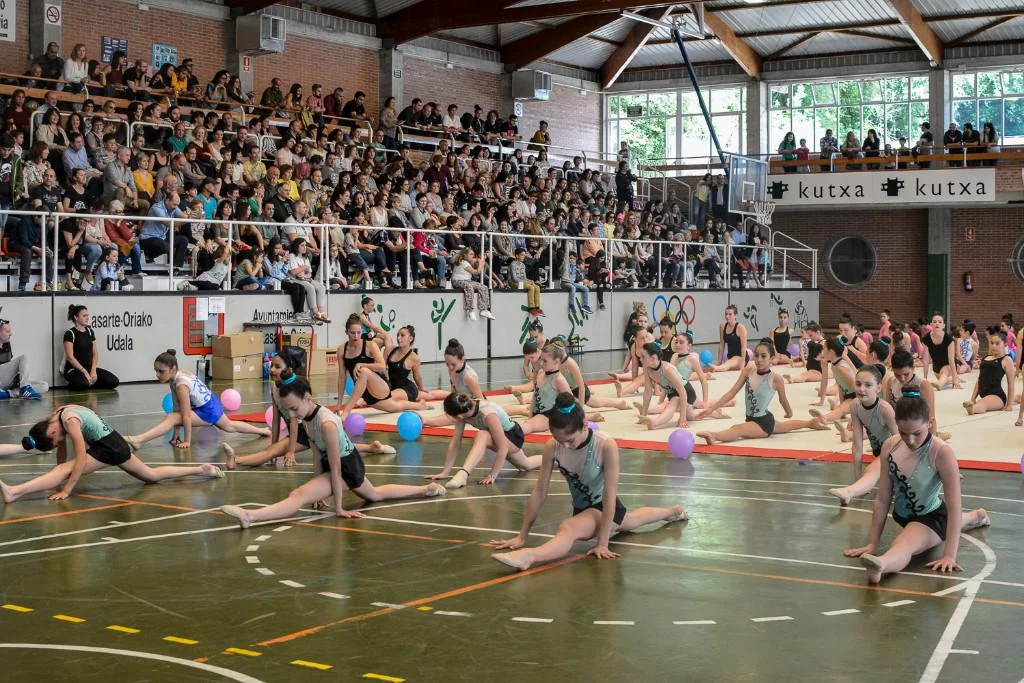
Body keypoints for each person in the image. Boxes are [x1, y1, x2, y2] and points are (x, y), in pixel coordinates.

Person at [489, 392, 687, 570]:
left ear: (584, 425)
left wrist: (602, 543)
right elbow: (540, 492)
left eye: (570, 440)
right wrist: (522, 535)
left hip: (605, 506)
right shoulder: (553, 447)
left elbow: (610, 494)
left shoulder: (605, 445)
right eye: (560, 441)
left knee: (569, 528)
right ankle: (673, 511)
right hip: (583, 508)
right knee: (632, 521)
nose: (565, 446)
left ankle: (529, 557)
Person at [221, 378, 446, 528]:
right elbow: (318, 456)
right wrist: (320, 492)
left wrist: (338, 506)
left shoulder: (326, 423)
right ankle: (426, 489)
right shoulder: (306, 418)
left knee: (299, 495)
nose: (292, 415)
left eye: (294, 409)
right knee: (375, 494)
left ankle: (250, 516)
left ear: (308, 398)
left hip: (347, 466)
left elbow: (337, 468)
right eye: (289, 410)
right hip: (337, 463)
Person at [842, 397, 990, 584]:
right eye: (904, 433)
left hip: (931, 517)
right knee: (925, 530)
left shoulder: (941, 452)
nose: (910, 440)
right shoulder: (891, 446)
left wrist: (949, 555)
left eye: (917, 433)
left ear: (930, 423)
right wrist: (873, 543)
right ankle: (977, 516)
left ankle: (881, 566)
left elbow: (953, 507)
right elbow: (883, 499)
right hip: (904, 516)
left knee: (904, 543)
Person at [0, 405, 223, 503]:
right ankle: (201, 469)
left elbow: (78, 460)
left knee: (65, 469)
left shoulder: (70, 422)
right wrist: (57, 476)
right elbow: (62, 451)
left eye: (56, 440)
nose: (59, 442)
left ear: (51, 432)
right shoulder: (58, 415)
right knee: (151, 475)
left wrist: (66, 488)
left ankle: (14, 492)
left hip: (109, 447)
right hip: (114, 442)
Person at [224, 353, 395, 469]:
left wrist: (290, 451)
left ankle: (236, 460)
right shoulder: (274, 387)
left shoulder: (293, 388)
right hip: (300, 429)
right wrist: (273, 442)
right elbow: (276, 420)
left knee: (273, 452)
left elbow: (293, 421)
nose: (272, 369)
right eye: (272, 366)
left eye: (277, 366)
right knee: (334, 447)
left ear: (288, 369)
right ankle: (372, 448)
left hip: (306, 427)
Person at [126, 350, 271, 450]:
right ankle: (263, 431)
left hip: (207, 409)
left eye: (161, 371)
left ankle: (139, 440)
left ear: (172, 369)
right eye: (156, 370)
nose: (157, 374)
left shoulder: (181, 385)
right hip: (211, 402)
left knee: (172, 417)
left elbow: (186, 415)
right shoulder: (176, 377)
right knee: (229, 426)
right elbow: (176, 407)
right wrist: (176, 435)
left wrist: (187, 441)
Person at [696, 340, 827, 445]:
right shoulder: (748, 370)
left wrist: (789, 412)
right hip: (756, 418)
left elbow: (783, 399)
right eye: (757, 355)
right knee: (784, 426)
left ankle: (714, 436)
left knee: (738, 429)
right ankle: (810, 423)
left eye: (764, 356)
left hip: (763, 423)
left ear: (772, 359)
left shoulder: (775, 379)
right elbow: (731, 393)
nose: (759, 359)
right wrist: (711, 409)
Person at [428, 393, 542, 489]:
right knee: (525, 465)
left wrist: (492, 475)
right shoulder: (463, 409)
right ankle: (550, 458)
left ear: (459, 416)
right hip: (501, 437)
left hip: (513, 436)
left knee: (483, 435)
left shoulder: (487, 413)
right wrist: (445, 472)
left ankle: (463, 474)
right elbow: (456, 442)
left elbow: (503, 447)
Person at [827, 365, 900, 505]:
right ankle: (857, 487)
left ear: (878, 388)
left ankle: (849, 492)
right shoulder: (855, 406)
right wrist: (857, 478)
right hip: (880, 453)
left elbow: (900, 442)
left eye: (868, 385)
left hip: (894, 452)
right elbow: (857, 444)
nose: (861, 389)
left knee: (872, 469)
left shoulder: (884, 409)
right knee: (871, 470)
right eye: (858, 384)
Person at [338, 315, 429, 419]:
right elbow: (341, 377)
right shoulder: (342, 350)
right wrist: (339, 403)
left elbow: (382, 367)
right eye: (352, 333)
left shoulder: (370, 345)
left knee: (363, 371)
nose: (356, 336)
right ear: (346, 332)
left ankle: (346, 412)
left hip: (382, 387)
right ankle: (420, 405)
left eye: (359, 333)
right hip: (367, 393)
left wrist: (361, 364)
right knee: (396, 406)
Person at [634, 341, 726, 430]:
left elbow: (682, 392)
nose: (640, 359)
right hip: (673, 392)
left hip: (686, 391)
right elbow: (648, 392)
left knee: (671, 406)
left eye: (643, 357)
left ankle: (654, 423)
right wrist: (643, 415)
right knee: (692, 416)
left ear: (653, 358)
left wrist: (682, 418)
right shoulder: (647, 369)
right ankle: (712, 413)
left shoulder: (667, 369)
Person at [61, 305, 120, 391]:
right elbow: (70, 357)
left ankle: (88, 383)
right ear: (76, 317)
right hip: (73, 369)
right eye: (84, 316)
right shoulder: (70, 334)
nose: (87, 318)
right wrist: (84, 372)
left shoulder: (90, 332)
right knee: (83, 383)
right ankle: (80, 383)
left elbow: (95, 353)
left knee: (114, 381)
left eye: (87, 315)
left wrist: (93, 370)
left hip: (89, 368)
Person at [964, 328, 1015, 416]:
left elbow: (1011, 383)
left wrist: (1009, 404)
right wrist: (972, 399)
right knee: (981, 402)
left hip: (997, 396)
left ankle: (972, 409)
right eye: (992, 343)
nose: (994, 346)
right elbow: (980, 380)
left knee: (983, 404)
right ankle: (973, 406)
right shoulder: (986, 358)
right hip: (984, 394)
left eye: (997, 343)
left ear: (1005, 344)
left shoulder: (1006, 360)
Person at [0, 318, 46, 399]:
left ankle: (11, 393)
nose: (11, 334)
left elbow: (8, 366)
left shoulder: (7, 344)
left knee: (44, 386)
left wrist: (17, 377)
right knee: (24, 357)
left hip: (5, 383)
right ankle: (24, 389)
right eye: (7, 331)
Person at [451, 247, 494, 322]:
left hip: (467, 280)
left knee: (483, 287)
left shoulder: (468, 260)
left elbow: (475, 259)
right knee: (469, 287)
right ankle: (470, 310)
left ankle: (483, 309)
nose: (472, 256)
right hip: (457, 281)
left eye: (473, 254)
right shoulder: (463, 262)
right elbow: (476, 272)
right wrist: (481, 264)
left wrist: (478, 259)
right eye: (471, 254)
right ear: (465, 255)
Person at [921, 313, 961, 390]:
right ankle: (945, 380)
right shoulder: (926, 339)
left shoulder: (949, 339)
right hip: (936, 368)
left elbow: (951, 360)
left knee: (945, 371)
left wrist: (955, 376)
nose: (937, 324)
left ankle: (939, 384)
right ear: (931, 325)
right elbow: (926, 359)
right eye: (934, 322)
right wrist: (925, 378)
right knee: (943, 376)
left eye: (940, 322)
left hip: (949, 366)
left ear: (943, 325)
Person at [709, 304, 748, 372]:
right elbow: (722, 345)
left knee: (730, 362)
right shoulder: (722, 326)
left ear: (735, 315)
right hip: (730, 358)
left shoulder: (740, 327)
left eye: (730, 314)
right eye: (726, 314)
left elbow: (744, 347)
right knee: (728, 362)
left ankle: (718, 368)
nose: (727, 316)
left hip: (741, 358)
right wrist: (719, 362)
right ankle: (719, 367)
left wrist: (742, 365)